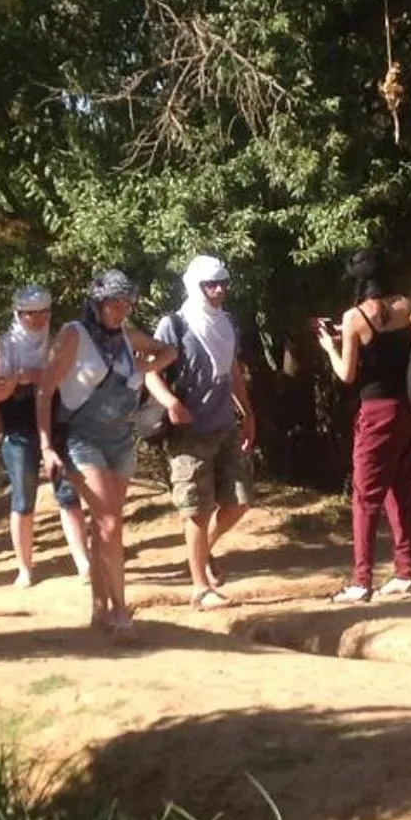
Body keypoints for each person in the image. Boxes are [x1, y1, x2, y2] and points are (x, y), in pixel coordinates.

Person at [40, 269, 178, 636]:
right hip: (81, 438)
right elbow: (44, 390)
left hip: (120, 439)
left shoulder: (129, 338)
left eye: (126, 303)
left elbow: (170, 350)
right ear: (97, 303)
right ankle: (120, 610)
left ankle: (100, 608)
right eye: (113, 303)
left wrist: (149, 366)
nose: (120, 310)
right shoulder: (74, 335)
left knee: (106, 526)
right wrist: (45, 445)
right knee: (110, 524)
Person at [148, 255, 255, 608]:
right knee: (197, 509)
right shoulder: (175, 325)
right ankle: (200, 588)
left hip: (224, 425)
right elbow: (150, 373)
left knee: (239, 502)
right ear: (196, 286)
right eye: (212, 284)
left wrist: (248, 413)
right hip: (189, 434)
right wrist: (171, 404)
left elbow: (234, 369)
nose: (220, 289)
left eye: (223, 282)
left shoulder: (225, 323)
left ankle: (201, 554)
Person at [315, 250, 411, 603]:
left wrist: (330, 346)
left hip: (374, 411)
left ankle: (361, 581)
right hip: (406, 406)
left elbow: (347, 374)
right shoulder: (408, 306)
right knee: (399, 491)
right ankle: (405, 572)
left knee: (365, 497)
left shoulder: (355, 316)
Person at [0, 282, 90, 587]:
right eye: (31, 314)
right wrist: (17, 381)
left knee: (67, 492)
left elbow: (69, 376)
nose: (38, 319)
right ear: (18, 314)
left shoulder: (58, 341)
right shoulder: (4, 346)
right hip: (18, 428)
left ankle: (82, 563)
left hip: (56, 423)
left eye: (43, 312)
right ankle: (25, 567)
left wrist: (38, 377)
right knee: (23, 497)